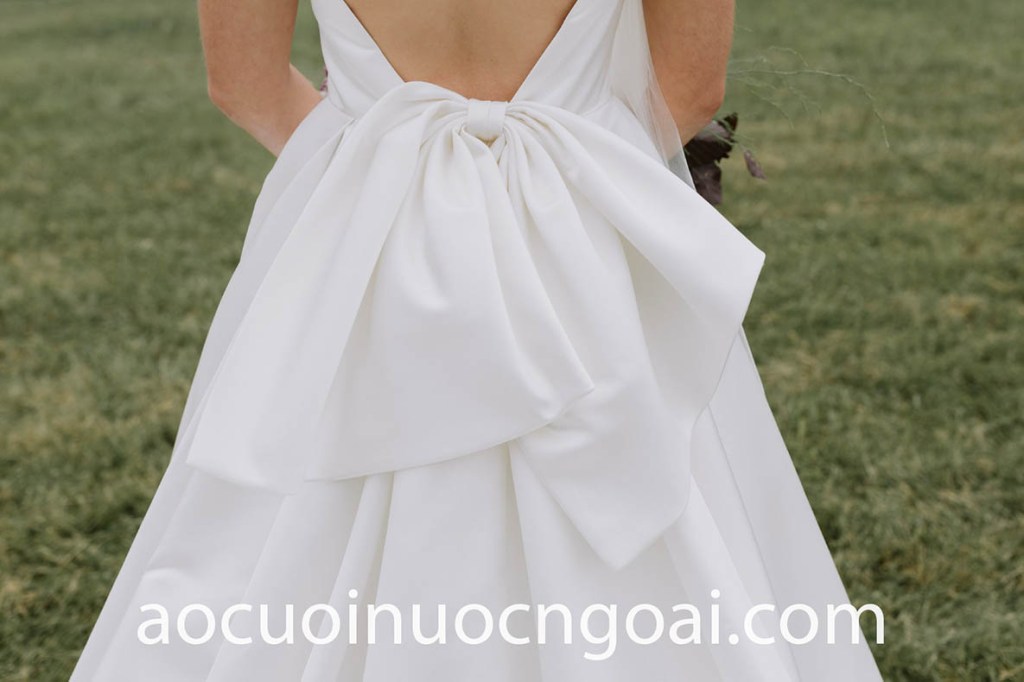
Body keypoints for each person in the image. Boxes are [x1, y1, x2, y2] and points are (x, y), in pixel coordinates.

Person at [70, 1, 885, 679]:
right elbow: (689, 86)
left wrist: (382, 168)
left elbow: (242, 82)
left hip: (367, 229)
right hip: (579, 234)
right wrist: (560, 172)